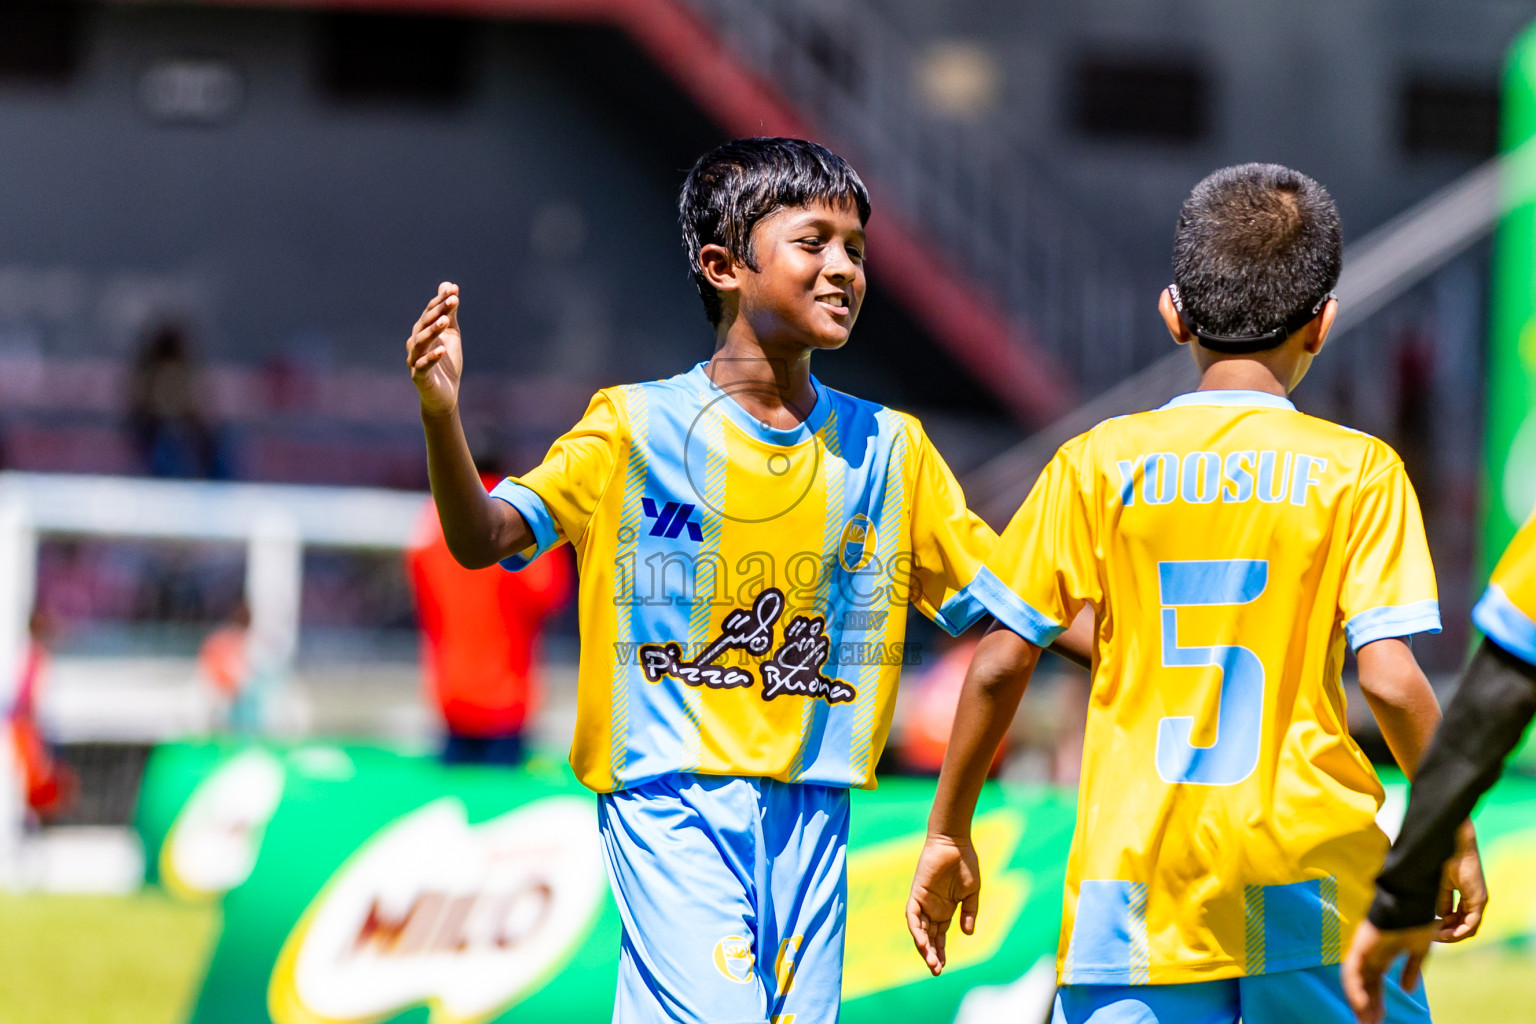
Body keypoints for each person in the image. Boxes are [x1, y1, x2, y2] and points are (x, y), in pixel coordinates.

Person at [404, 138, 1029, 1023]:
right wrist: (441, 416)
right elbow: (484, 538)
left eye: (856, 247)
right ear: (723, 265)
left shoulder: (891, 451)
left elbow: (1017, 612)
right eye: (814, 242)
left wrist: (1147, 643)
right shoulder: (633, 427)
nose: (845, 268)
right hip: (671, 800)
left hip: (818, 813)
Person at [906, 163, 1486, 1024]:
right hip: (1311, 877)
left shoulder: (1097, 461)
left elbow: (999, 662)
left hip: (1134, 888)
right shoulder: (1359, 471)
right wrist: (1452, 832)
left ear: (1173, 312)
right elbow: (1393, 681)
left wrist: (948, 832)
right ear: (1323, 324)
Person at [1342, 512, 1536, 1023]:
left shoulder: (1106, 456)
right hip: (1302, 851)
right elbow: (1389, 677)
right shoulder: (1359, 467)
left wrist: (1404, 895)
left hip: (1132, 850)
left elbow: (1495, 702)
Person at [406, 472, 572, 766]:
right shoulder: (518, 515)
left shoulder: (434, 517)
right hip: (505, 699)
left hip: (450, 693)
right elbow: (549, 592)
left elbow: (418, 582)